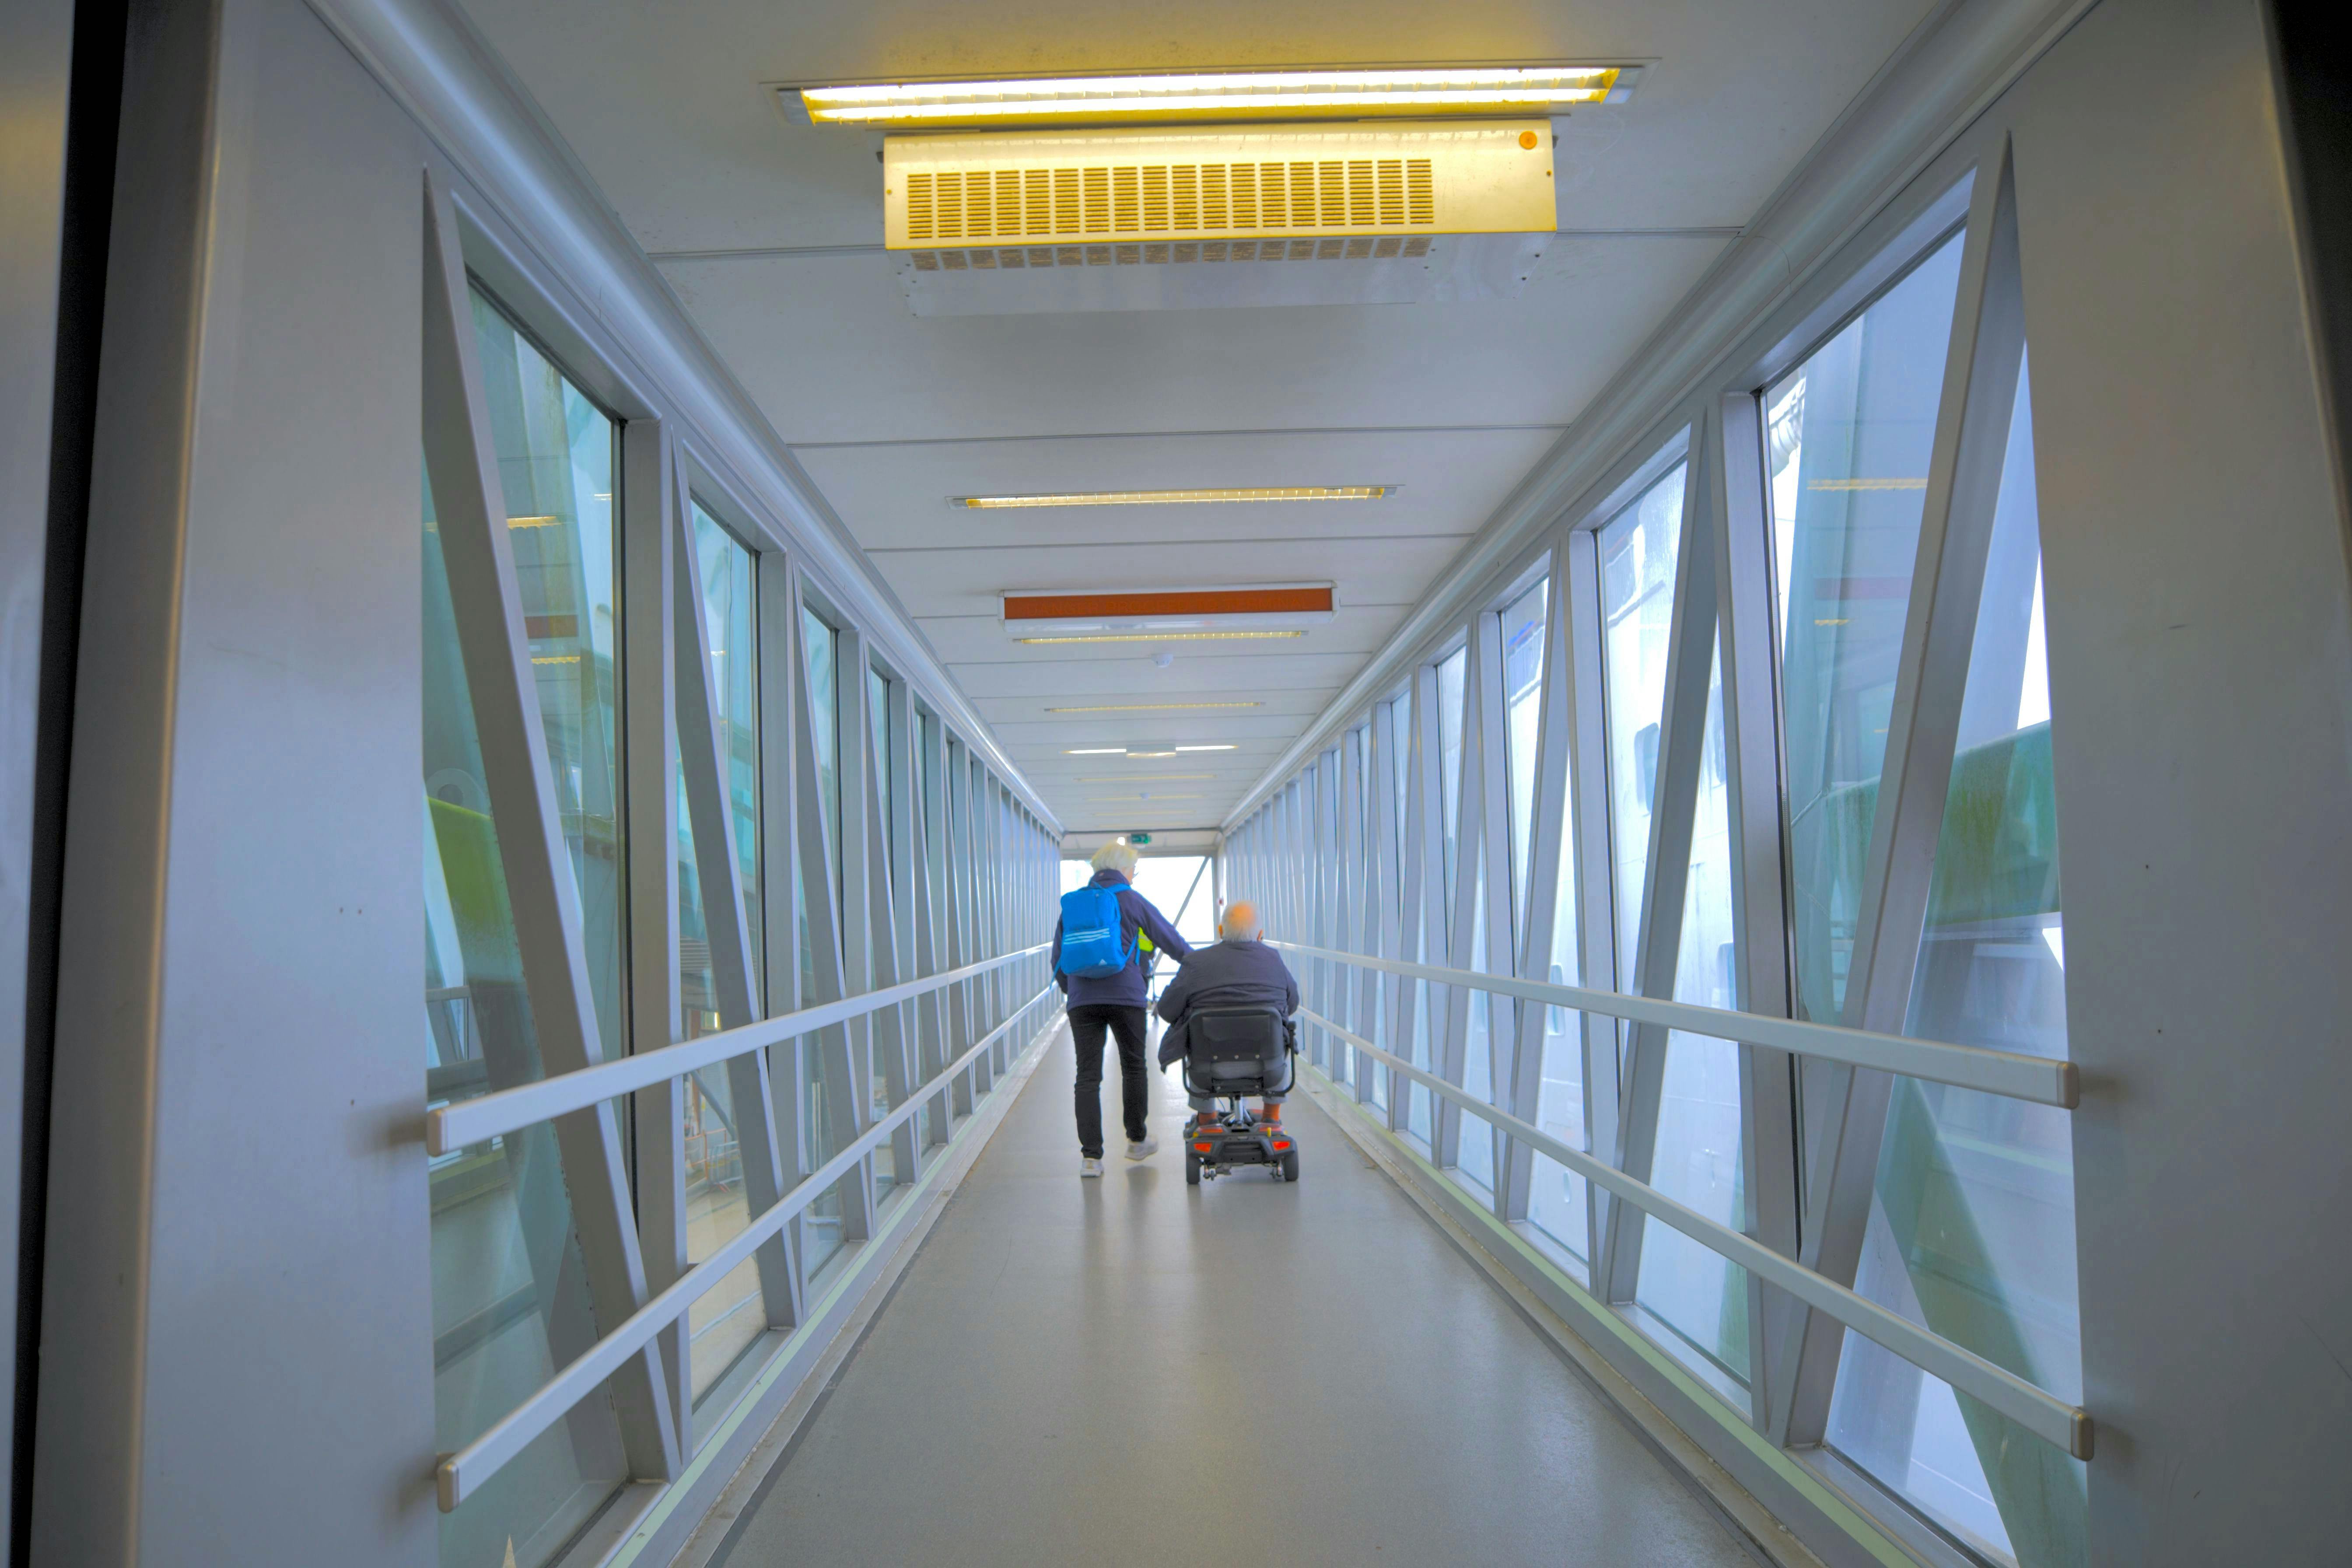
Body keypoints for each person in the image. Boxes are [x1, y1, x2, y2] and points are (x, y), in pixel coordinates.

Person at [1053, 840, 1193, 1176]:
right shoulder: (1132, 899)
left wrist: (1075, 993)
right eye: (1135, 870)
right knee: (1133, 1068)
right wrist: (1201, 965)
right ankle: (1136, 1141)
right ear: (1125, 870)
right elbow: (1171, 941)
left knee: (1087, 1076)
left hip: (1082, 1001)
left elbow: (1058, 960)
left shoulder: (1074, 904)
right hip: (1127, 997)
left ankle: (1091, 1158)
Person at [1154, 901, 1298, 1138]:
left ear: (1220, 931)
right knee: (1282, 1033)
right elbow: (1291, 1005)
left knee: (1194, 1032)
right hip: (1267, 1068)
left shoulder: (1195, 963)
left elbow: (1167, 1010)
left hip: (1209, 1070)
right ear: (1261, 935)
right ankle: (1271, 1119)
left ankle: (1208, 1121)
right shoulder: (1274, 960)